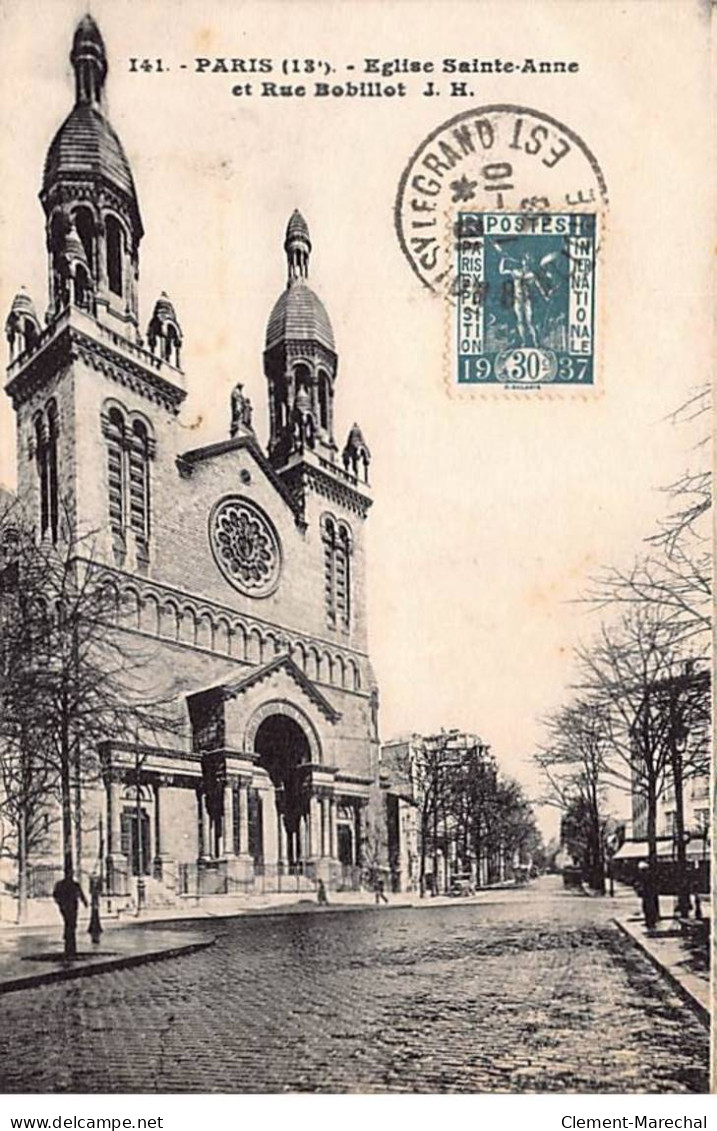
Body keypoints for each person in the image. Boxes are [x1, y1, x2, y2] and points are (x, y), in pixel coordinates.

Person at [53, 875, 88, 960]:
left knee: (70, 923)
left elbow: (81, 894)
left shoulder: (69, 884)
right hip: (69, 906)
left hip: (70, 907)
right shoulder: (65, 884)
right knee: (70, 923)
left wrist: (84, 901)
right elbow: (55, 895)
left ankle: (67, 935)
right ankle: (68, 937)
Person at [88, 874, 103, 946]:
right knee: (95, 914)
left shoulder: (95, 886)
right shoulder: (94, 886)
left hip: (95, 902)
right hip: (94, 902)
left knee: (95, 914)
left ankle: (95, 926)